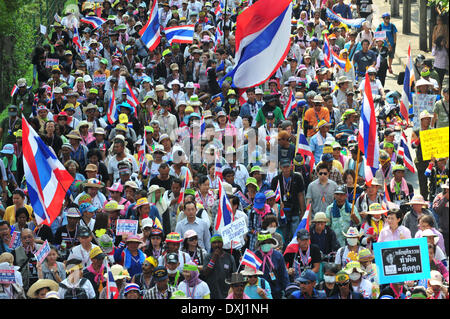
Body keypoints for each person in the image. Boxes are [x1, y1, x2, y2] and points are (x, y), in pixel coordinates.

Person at [253, 231, 289, 299]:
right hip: (258, 293)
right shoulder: (254, 256)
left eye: (268, 242)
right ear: (260, 244)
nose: (266, 244)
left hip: (276, 292)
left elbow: (283, 275)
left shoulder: (278, 256)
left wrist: (288, 291)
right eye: (264, 242)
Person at [202, 234, 236, 299]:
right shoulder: (208, 257)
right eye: (214, 243)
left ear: (222, 244)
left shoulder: (230, 257)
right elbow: (205, 273)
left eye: (219, 242)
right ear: (211, 245)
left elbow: (234, 275)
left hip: (226, 293)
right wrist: (214, 258)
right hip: (212, 292)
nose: (217, 245)